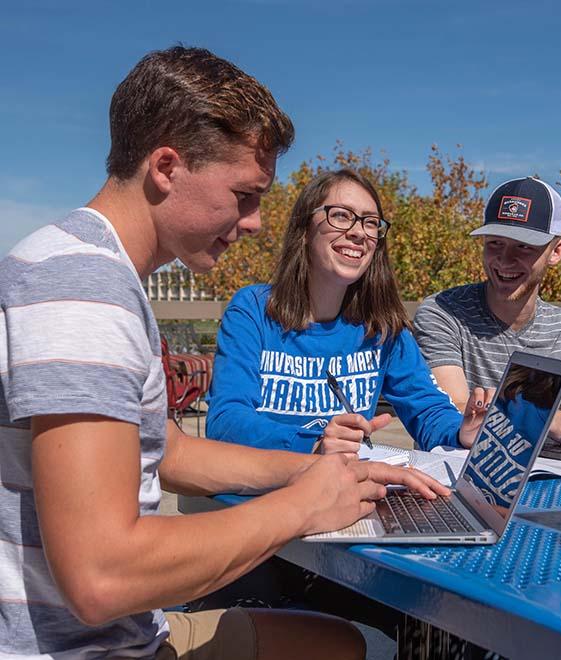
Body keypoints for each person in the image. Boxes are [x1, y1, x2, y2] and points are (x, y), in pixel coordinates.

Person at [0, 47, 448, 660]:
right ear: (166, 166)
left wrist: (330, 473)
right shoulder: (84, 290)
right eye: (244, 194)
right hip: (85, 645)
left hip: (131, 627)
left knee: (360, 642)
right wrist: (301, 506)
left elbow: (171, 449)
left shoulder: (92, 270)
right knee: (384, 647)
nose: (258, 221)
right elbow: (101, 578)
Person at [205, 169, 491, 455]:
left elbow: (427, 408)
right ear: (304, 230)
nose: (358, 232)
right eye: (341, 215)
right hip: (264, 491)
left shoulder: (382, 326)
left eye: (370, 222)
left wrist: (461, 432)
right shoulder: (253, 309)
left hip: (341, 492)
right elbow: (225, 422)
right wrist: (313, 444)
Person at [413, 176, 561, 447]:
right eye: (495, 243)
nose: (504, 259)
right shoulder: (443, 313)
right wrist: (552, 421)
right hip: (454, 477)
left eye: (523, 246)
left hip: (549, 477)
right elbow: (454, 409)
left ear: (556, 252)